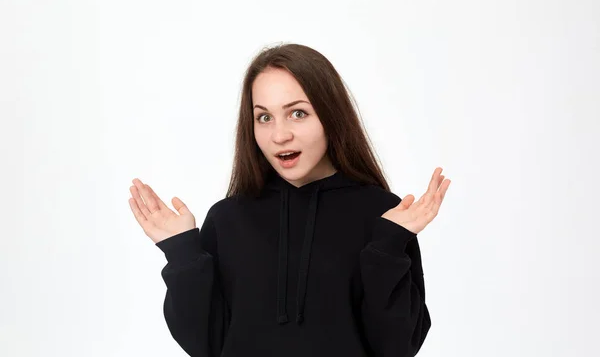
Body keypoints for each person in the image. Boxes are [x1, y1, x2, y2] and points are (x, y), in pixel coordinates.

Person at [128, 43, 451, 357]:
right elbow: (206, 345)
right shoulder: (228, 218)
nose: (279, 135)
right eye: (264, 117)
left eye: (298, 113)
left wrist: (388, 246)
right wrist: (182, 251)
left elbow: (398, 347)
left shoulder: (381, 215)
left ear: (330, 115)